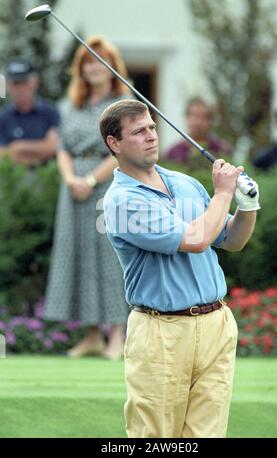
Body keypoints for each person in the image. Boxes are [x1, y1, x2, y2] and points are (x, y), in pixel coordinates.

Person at [100, 99, 260, 438]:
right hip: (162, 333)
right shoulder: (122, 201)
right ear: (114, 143)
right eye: (138, 131)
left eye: (152, 128)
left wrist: (247, 205)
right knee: (157, 438)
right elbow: (196, 238)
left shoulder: (185, 183)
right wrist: (223, 192)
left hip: (216, 326)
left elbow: (230, 239)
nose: (151, 136)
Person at [45, 36, 130, 359]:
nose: (94, 66)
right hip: (73, 190)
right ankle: (92, 334)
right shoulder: (70, 106)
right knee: (78, 254)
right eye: (88, 61)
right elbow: (62, 148)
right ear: (81, 69)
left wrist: (92, 178)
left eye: (101, 60)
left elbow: (123, 148)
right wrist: (71, 179)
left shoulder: (122, 103)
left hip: (109, 185)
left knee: (111, 257)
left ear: (112, 67)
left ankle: (117, 335)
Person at [0, 58, 60, 166]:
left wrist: (19, 147)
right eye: (16, 83)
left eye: (24, 82)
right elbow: (3, 156)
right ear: (8, 86)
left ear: (35, 82)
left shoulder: (51, 111)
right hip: (14, 178)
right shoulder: (3, 117)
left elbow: (55, 147)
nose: (21, 88)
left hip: (48, 177)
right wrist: (41, 151)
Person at [165, 96, 233, 169]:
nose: (199, 122)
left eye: (203, 117)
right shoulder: (173, 153)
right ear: (187, 118)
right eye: (195, 116)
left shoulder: (222, 149)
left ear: (210, 121)